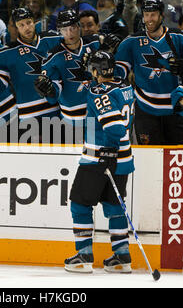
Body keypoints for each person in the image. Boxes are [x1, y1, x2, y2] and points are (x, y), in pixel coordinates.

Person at [64, 50, 135, 273]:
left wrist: (109, 151)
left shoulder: (98, 91)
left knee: (80, 203)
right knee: (115, 207)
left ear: (96, 71)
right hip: (124, 159)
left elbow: (114, 127)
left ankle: (84, 255)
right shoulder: (125, 87)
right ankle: (122, 256)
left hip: (99, 158)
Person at [114, 0, 183, 145]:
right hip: (145, 109)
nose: (149, 19)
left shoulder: (180, 38)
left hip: (177, 108)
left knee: (179, 158)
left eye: (153, 14)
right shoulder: (131, 42)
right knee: (150, 159)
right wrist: (108, 55)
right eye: (146, 14)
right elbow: (117, 75)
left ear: (162, 16)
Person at [35, 9, 120, 143]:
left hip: (100, 115)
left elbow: (117, 77)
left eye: (73, 27)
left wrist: (108, 54)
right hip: (73, 124)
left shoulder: (96, 43)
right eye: (65, 29)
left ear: (79, 26)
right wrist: (49, 91)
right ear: (59, 31)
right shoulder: (53, 57)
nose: (69, 33)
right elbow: (53, 97)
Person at [0, 8, 62, 143]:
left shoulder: (53, 39)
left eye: (28, 22)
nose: (26, 28)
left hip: (56, 109)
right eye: (21, 25)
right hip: (29, 116)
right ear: (16, 27)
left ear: (34, 22)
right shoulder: (6, 53)